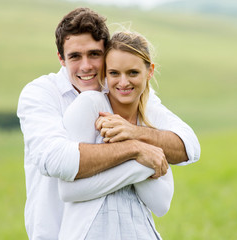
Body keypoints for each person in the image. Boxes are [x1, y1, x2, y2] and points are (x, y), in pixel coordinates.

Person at [17, 7, 200, 240]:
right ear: (61, 58)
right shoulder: (41, 93)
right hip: (56, 231)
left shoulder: (120, 88)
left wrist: (134, 132)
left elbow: (189, 146)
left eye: (94, 54)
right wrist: (135, 149)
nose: (87, 66)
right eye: (75, 56)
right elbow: (58, 161)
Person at [58, 30, 175, 240]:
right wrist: (137, 157)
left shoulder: (151, 122)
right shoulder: (91, 105)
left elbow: (161, 204)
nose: (123, 82)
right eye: (114, 73)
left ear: (149, 72)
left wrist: (132, 138)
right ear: (104, 73)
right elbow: (68, 191)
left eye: (132, 73)